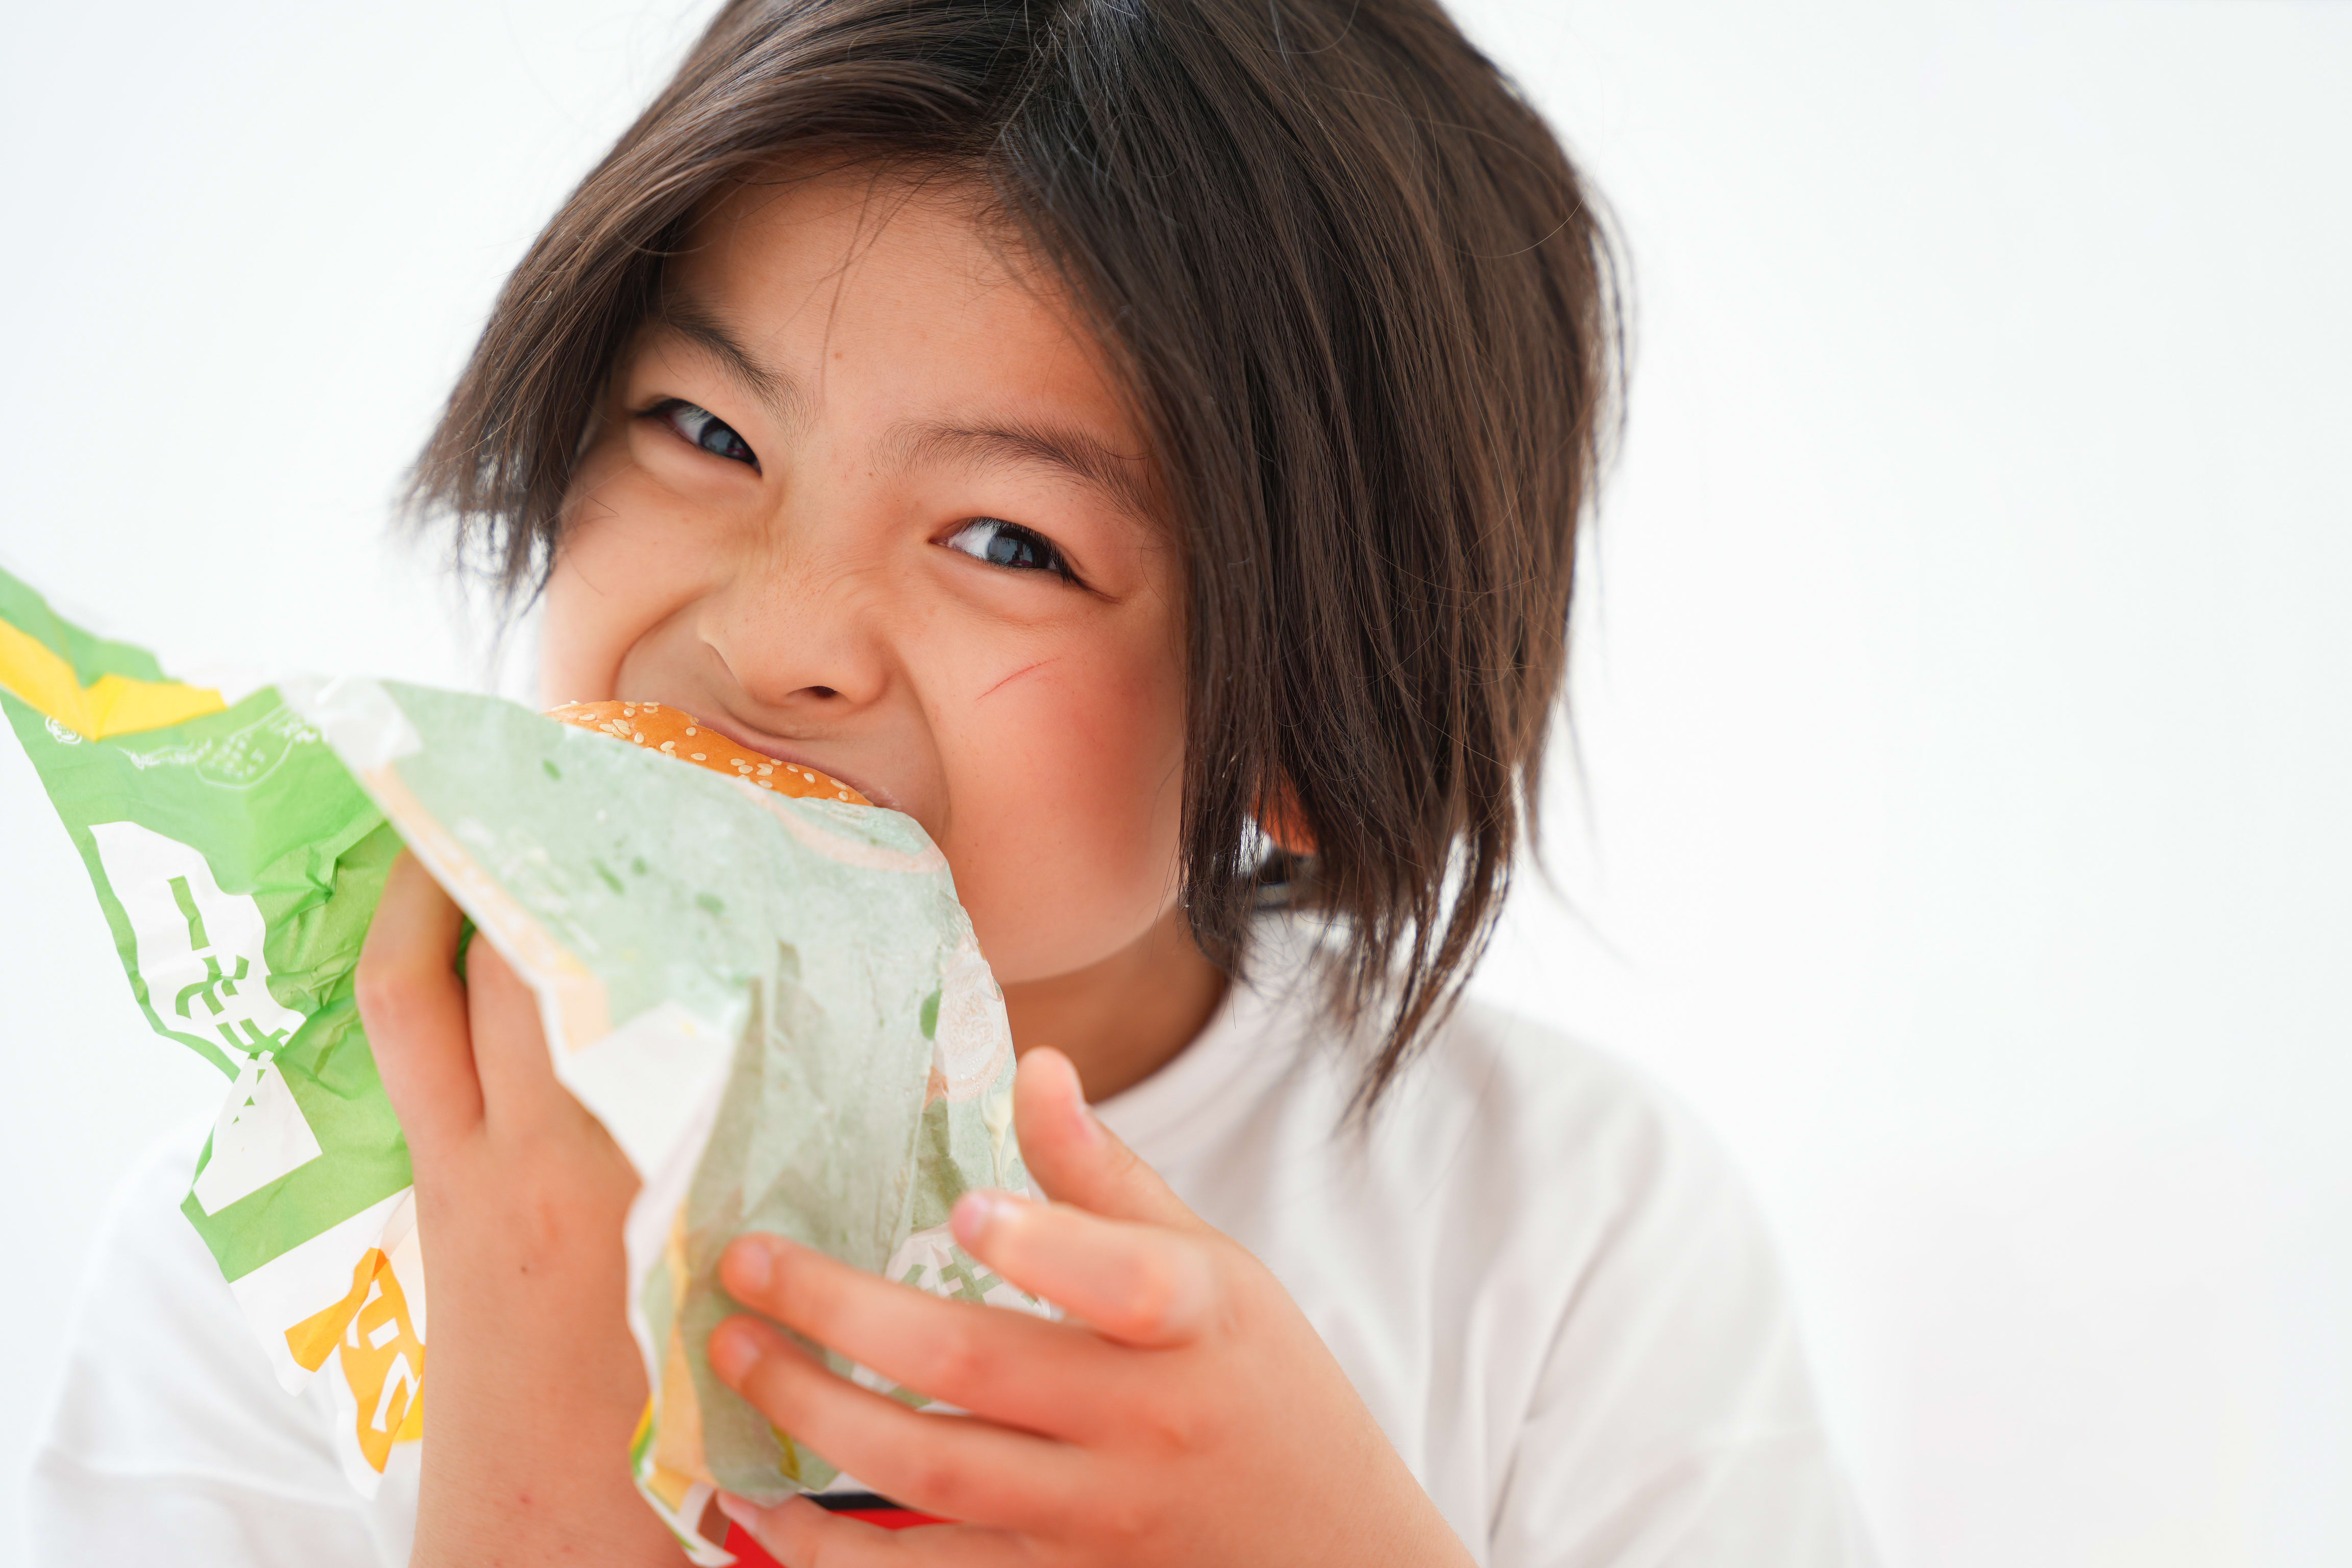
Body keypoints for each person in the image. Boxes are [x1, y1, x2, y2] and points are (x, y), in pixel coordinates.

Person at [28, 1, 1874, 1562]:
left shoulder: (1558, 1233)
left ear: (1308, 722)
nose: (779, 638)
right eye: (703, 430)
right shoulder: (296, 1214)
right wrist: (532, 1425)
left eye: (1006, 538)